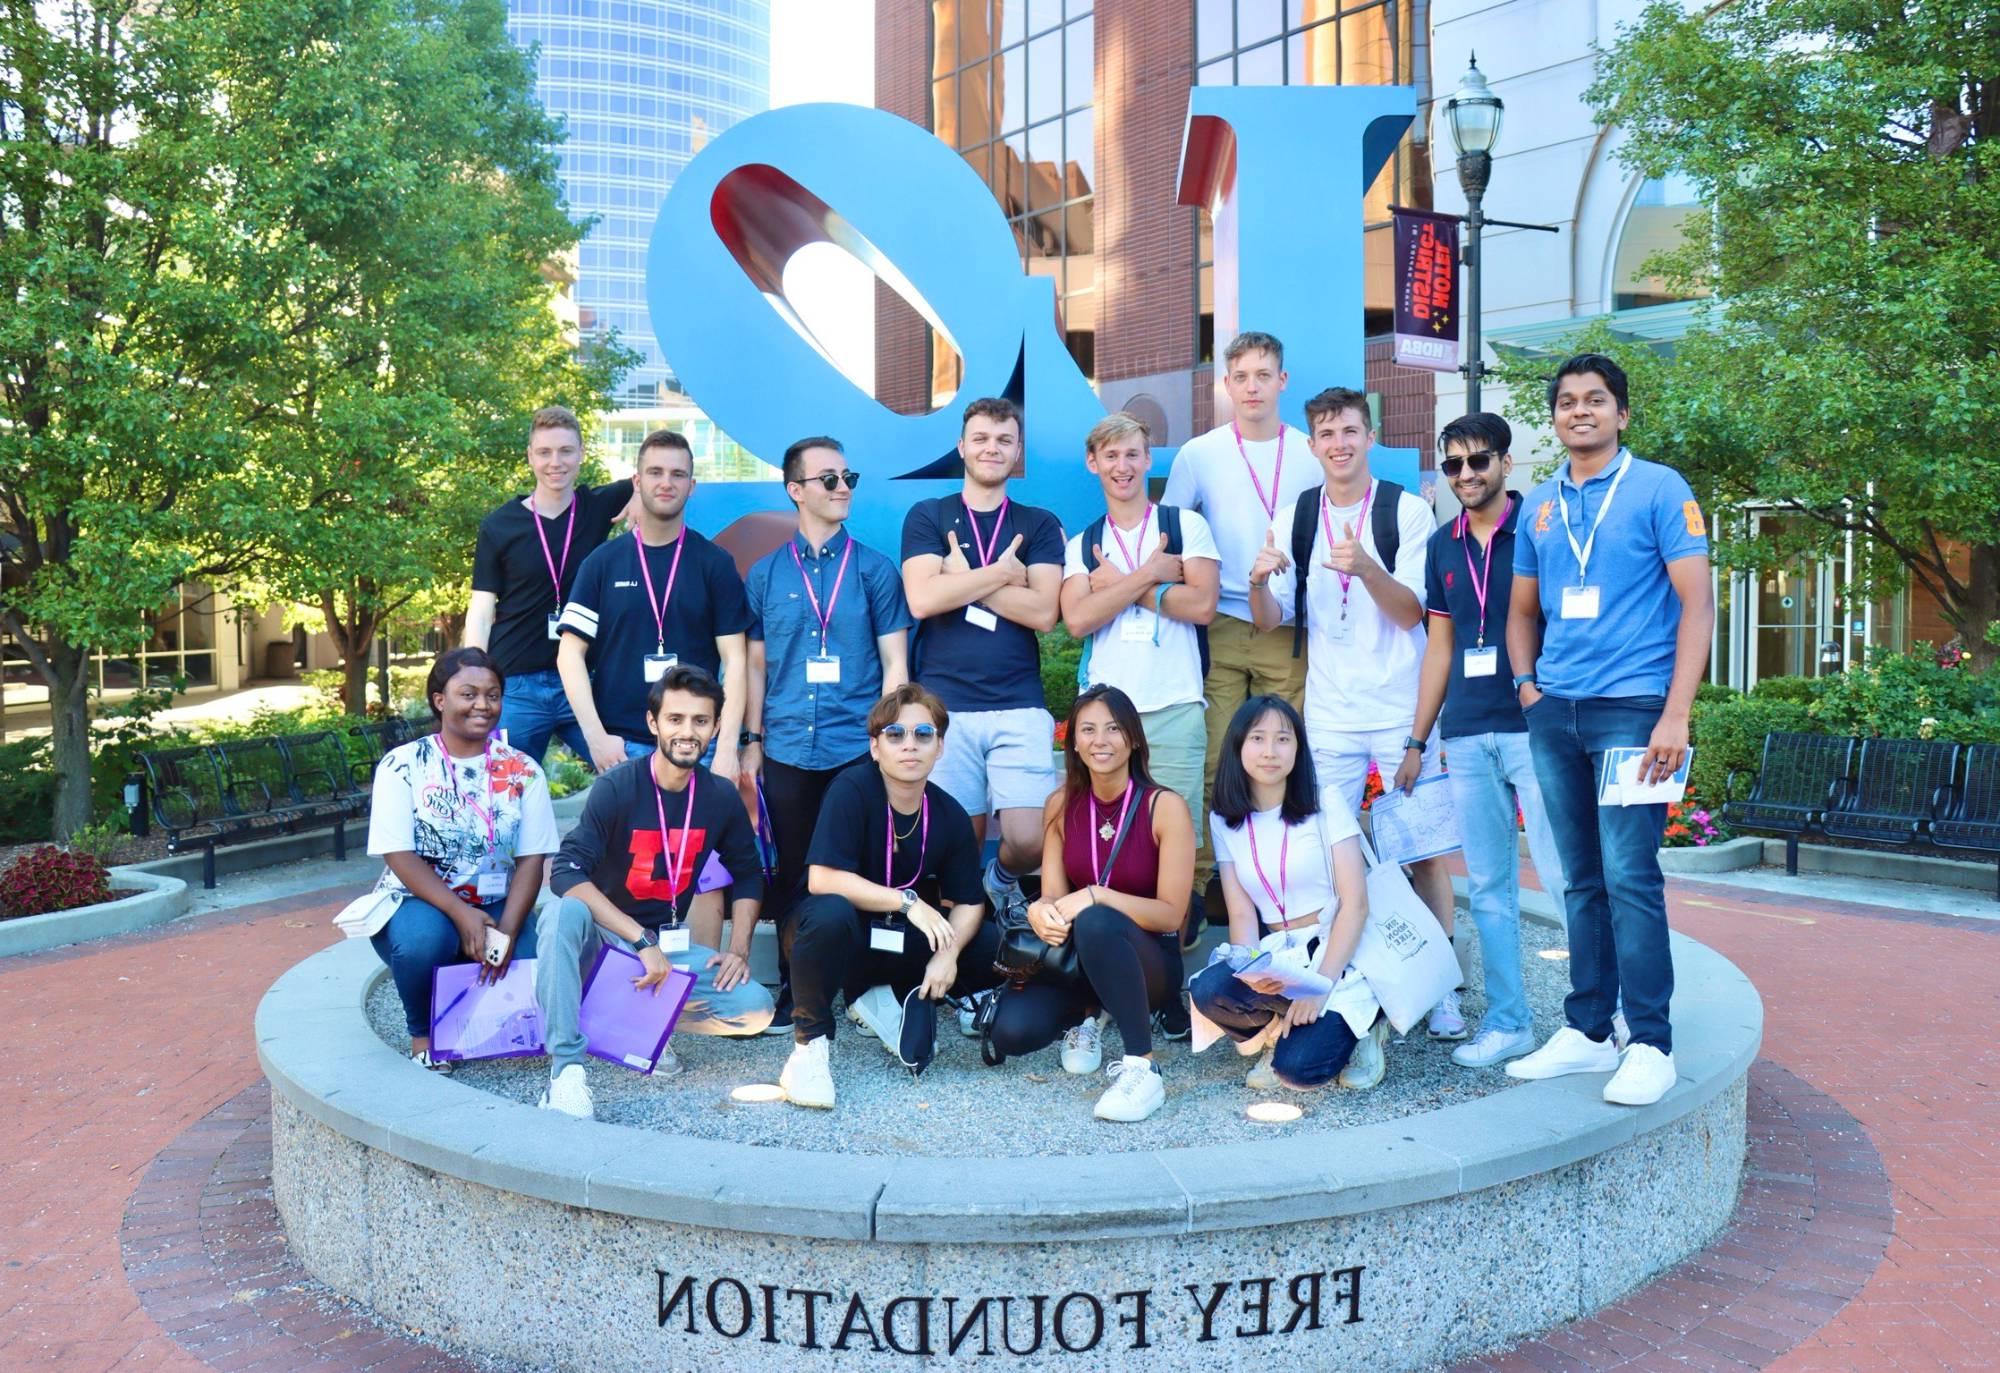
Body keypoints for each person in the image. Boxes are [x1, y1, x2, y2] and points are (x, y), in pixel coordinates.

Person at [1504, 353, 1714, 1108]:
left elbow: (1699, 604)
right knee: (1578, 876)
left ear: (1622, 414)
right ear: (1556, 418)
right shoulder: (1540, 505)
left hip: (1633, 709)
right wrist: (1529, 687)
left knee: (1630, 875)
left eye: (1596, 400)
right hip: (1556, 710)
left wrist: (1676, 713)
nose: (1580, 411)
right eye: (1567, 401)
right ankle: (1590, 1029)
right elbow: (1522, 608)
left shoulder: (1660, 489)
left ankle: (1650, 1040)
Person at [1249, 386, 1461, 1038]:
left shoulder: (1405, 510)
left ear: (1368, 436)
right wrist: (1257, 580)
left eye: (1349, 431)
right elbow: (1270, 620)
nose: (1339, 444)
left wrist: (1367, 567)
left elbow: (1412, 613)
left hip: (1401, 708)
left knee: (1422, 852)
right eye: (1326, 434)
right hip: (1332, 713)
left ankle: (1442, 980)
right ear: (1311, 446)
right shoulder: (1296, 516)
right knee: (1322, 848)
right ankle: (1333, 975)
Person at [1397, 413, 1571, 1069]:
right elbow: (1440, 647)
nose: (1466, 475)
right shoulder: (1443, 545)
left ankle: (1604, 1019)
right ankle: (1508, 1022)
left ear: (1505, 463)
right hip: (1466, 734)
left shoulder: (1543, 528)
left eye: (1479, 461)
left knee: (1564, 876)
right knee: (1491, 888)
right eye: (1454, 465)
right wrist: (1419, 738)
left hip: (1534, 727)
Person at [536, 666, 775, 1120]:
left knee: (755, 1010)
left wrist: (739, 949)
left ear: (717, 726)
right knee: (562, 913)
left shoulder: (719, 796)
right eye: (676, 719)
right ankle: (566, 1071)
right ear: (654, 723)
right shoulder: (618, 787)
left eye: (700, 721)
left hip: (664, 946)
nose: (688, 732)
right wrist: (639, 940)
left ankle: (624, 1023)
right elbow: (565, 872)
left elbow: (748, 873)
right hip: (606, 939)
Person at [742, 435, 913, 1033]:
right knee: (791, 879)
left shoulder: (874, 569)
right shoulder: (764, 576)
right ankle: (798, 991)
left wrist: (891, 738)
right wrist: (751, 739)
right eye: (829, 479)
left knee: (856, 875)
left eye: (848, 477)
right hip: (787, 748)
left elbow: (895, 663)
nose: (844, 488)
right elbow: (756, 669)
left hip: (854, 751)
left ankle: (864, 988)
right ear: (796, 491)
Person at [777, 684, 1004, 1110]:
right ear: (875, 747)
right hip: (834, 937)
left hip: (893, 939)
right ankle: (809, 1048)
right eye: (895, 734)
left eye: (923, 734)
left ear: (940, 746)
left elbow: (970, 901)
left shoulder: (949, 813)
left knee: (987, 942)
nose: (909, 746)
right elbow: (822, 879)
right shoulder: (852, 789)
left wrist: (947, 956)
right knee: (830, 912)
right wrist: (908, 902)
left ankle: (881, 997)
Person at [985, 686, 1195, 1122]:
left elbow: (1172, 913)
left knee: (1098, 920)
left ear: (1134, 738)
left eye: (1114, 728)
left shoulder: (1164, 806)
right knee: (1012, 1032)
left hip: (1149, 962)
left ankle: (1142, 1068)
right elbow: (1052, 895)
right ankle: (1090, 1015)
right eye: (1088, 730)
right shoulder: (1061, 805)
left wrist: (1098, 896)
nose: (1101, 740)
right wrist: (1042, 911)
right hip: (1078, 960)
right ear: (1074, 743)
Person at [1162, 332, 1319, 905]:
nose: (1252, 386)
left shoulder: (1311, 449)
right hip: (1220, 622)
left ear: (1282, 381)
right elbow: (1171, 538)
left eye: (1263, 374)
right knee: (1216, 755)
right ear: (1225, 386)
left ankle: (1280, 880)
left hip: (1286, 626)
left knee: (1282, 755)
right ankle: (1204, 882)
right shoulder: (1199, 453)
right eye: (1241, 377)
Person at [900, 396, 1065, 922]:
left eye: (1004, 440)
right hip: (944, 706)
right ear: (962, 446)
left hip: (1018, 702)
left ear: (1017, 452)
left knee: (1030, 838)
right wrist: (1001, 574)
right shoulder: (929, 515)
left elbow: (1042, 611)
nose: (992, 448)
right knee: (956, 845)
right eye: (981, 439)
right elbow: (922, 599)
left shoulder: (1038, 523)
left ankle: (1002, 883)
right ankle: (965, 965)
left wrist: (961, 578)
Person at [361, 648, 560, 1069]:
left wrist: (504, 932)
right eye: (468, 694)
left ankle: (483, 1021)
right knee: (423, 943)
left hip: (496, 902)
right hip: (422, 902)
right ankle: (423, 1036)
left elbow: (531, 858)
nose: (482, 706)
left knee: (531, 960)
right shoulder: (403, 765)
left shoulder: (524, 771)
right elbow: (399, 853)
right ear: (440, 700)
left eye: (492, 695)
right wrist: (461, 914)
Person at [1059, 413, 1218, 918]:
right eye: (1111, 456)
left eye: (1132, 454)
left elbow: (1202, 606)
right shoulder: (1082, 545)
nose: (1122, 466)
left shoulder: (1183, 526)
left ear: (1148, 460)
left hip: (1174, 703)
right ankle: (1118, 936)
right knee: (1112, 833)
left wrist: (1121, 585)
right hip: (1108, 715)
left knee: (1176, 833)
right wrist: (1151, 574)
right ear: (1093, 463)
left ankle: (1174, 934)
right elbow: (1079, 619)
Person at [1188, 697, 1387, 1091]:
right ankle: (1275, 1030)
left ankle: (1369, 1029)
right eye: (1258, 738)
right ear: (1238, 747)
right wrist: (1252, 971)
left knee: (1298, 1071)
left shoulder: (1324, 802)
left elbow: (1356, 904)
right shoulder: (1225, 820)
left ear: (1298, 748)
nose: (1270, 752)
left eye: (1283, 739)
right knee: (1208, 988)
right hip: (1279, 955)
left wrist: (1320, 986)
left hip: (1339, 952)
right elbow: (1243, 916)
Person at [557, 428, 752, 779]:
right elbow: (569, 654)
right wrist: (596, 738)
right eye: (655, 472)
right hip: (622, 747)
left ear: (691, 486)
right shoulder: (602, 563)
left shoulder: (715, 563)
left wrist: (726, 749)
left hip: (697, 746)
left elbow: (736, 659)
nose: (667, 483)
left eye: (678, 474)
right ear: (637, 481)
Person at [465, 406, 635, 765]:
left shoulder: (598, 506)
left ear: (581, 454)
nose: (555, 462)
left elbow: (655, 480)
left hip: (584, 681)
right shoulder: (499, 526)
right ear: (530, 457)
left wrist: (637, 499)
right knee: (505, 790)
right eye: (544, 452)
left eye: (565, 451)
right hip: (517, 685)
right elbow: (481, 611)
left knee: (627, 774)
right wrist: (472, 676)